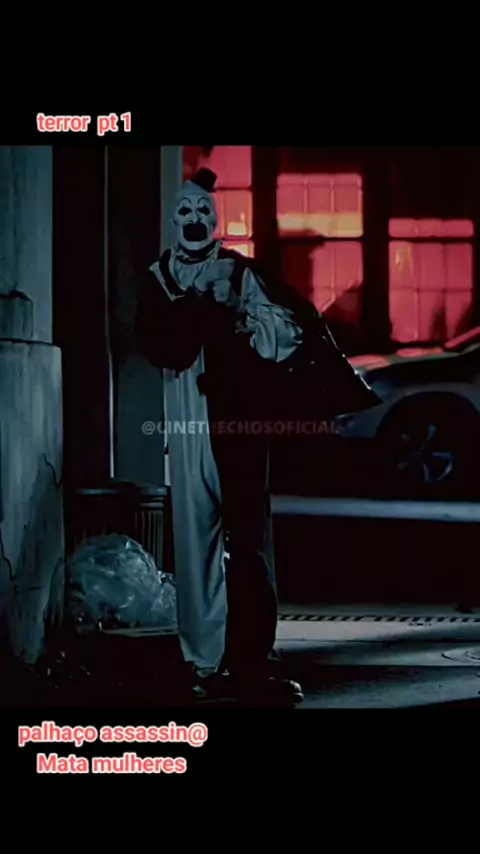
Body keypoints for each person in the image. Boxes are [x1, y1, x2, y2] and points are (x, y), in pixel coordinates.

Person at [136, 167, 380, 706]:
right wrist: (206, 307)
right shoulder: (158, 279)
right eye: (185, 211)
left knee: (247, 542)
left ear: (216, 218)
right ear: (172, 219)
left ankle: (250, 661)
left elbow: (286, 337)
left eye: (203, 211)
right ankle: (204, 659)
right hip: (189, 425)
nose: (194, 220)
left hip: (239, 425)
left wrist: (245, 317)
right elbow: (163, 347)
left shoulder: (242, 274)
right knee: (195, 540)